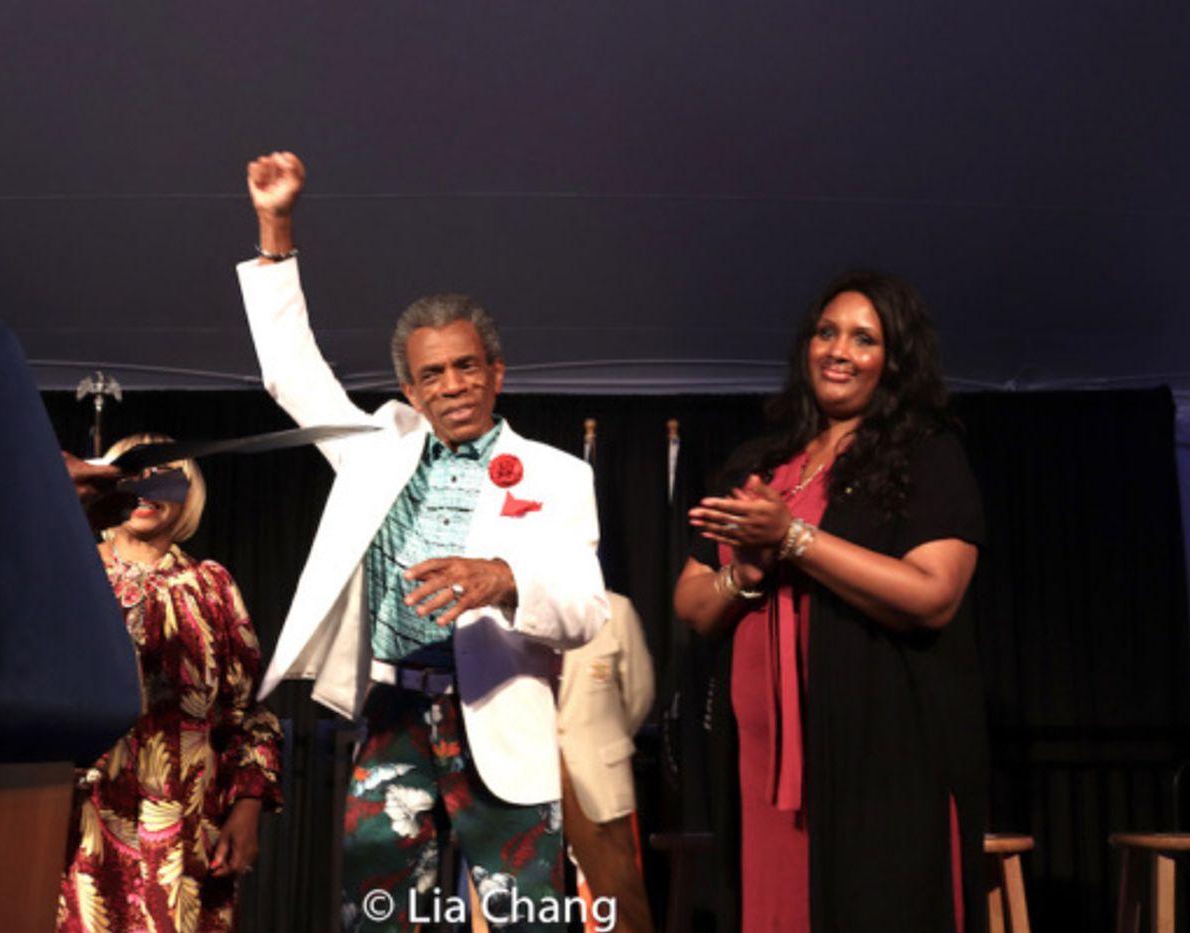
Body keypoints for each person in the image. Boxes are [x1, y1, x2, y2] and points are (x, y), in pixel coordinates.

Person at [237, 151, 609, 930]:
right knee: (378, 918)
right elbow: (292, 375)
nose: (453, 385)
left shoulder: (558, 472)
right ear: (410, 389)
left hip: (502, 719)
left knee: (527, 920)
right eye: (433, 374)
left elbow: (583, 611)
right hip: (392, 718)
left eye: (467, 366)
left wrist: (505, 576)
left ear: (496, 372)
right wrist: (276, 227)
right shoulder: (377, 450)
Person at [673, 272, 986, 933]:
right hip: (761, 765)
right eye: (827, 331)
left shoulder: (926, 456)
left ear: (895, 359)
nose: (839, 350)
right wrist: (749, 572)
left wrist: (789, 536)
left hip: (882, 753)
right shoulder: (759, 462)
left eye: (864, 338)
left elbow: (933, 594)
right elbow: (693, 603)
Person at [57, 433, 283, 933]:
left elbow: (249, 712)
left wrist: (247, 810)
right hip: (79, 821)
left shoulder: (211, 585)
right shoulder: (69, 569)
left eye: (162, 475)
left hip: (185, 833)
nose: (143, 488)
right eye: (129, 474)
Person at [557, 592, 655, 933]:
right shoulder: (508, 614)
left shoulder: (616, 610)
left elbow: (638, 693)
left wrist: (604, 743)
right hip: (532, 771)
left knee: (617, 897)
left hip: (596, 770)